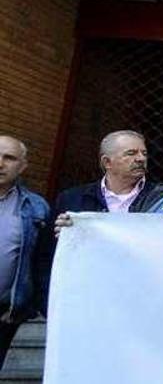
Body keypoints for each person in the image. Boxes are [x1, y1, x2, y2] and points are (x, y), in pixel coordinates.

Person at [0, 135, 51, 371]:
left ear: (22, 166)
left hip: (4, 312)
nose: (0, 163)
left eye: (9, 158)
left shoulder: (36, 207)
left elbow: (39, 261)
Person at [52, 130, 155, 216]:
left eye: (144, 153)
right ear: (107, 162)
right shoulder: (71, 199)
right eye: (131, 153)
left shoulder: (160, 198)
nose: (141, 159)